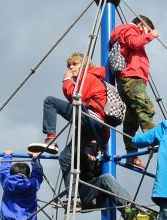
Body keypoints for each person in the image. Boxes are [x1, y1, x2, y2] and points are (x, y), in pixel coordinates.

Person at [27, 52, 109, 191]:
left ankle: (50, 139)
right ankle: (73, 196)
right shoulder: (92, 78)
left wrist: (66, 81)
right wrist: (104, 142)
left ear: (84, 65)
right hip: (91, 125)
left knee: (50, 101)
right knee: (65, 157)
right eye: (69, 65)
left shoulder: (88, 77)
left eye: (74, 64)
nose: (71, 67)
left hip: (90, 118)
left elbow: (76, 99)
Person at [109, 14, 159, 167]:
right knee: (144, 107)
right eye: (145, 30)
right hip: (132, 77)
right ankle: (152, 139)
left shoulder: (124, 31)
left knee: (132, 119)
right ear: (142, 25)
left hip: (126, 80)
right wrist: (150, 35)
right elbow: (134, 42)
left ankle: (131, 155)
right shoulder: (130, 29)